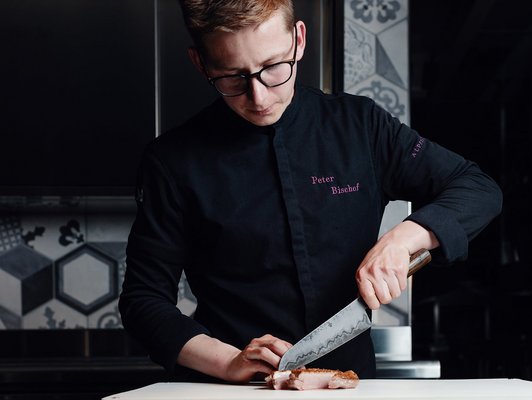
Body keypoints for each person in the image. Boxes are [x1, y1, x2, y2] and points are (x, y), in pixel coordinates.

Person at [119, 0, 502, 384]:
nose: (259, 97)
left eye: (273, 68)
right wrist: (228, 361)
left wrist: (403, 239)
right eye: (232, 78)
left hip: (349, 386)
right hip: (233, 392)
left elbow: (477, 188)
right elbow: (142, 301)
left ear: (299, 40)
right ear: (201, 63)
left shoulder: (361, 126)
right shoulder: (171, 161)